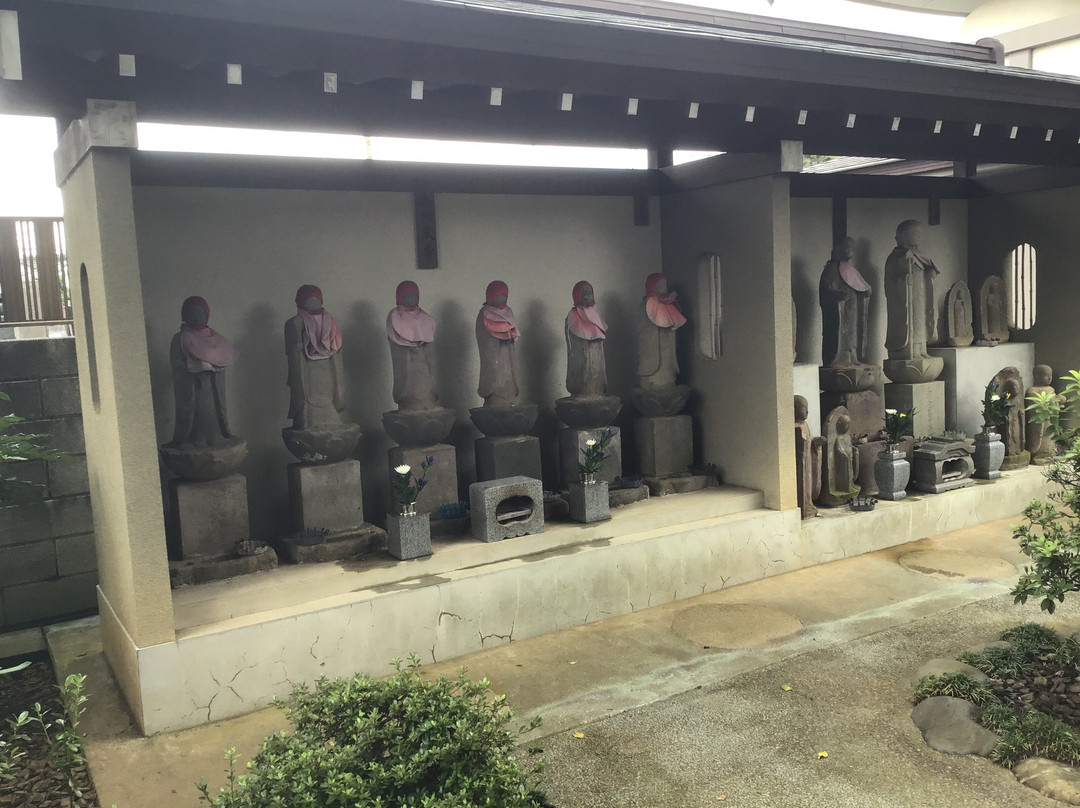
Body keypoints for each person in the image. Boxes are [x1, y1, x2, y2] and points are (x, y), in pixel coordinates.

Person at [168, 295, 235, 447]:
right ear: (185, 315)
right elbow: (175, 364)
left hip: (211, 387)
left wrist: (214, 368)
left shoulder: (216, 339)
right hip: (193, 387)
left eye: (201, 312)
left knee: (212, 412)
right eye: (193, 312)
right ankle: (194, 438)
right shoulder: (180, 338)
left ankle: (214, 435)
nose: (197, 316)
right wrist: (193, 367)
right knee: (196, 413)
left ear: (207, 314)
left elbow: (223, 359)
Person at [285, 284, 346, 429]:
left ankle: (330, 416)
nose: (314, 304)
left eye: (316, 300)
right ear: (300, 301)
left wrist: (335, 352)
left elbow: (336, 347)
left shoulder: (330, 321)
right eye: (309, 300)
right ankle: (307, 417)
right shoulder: (293, 323)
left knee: (328, 393)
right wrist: (298, 344)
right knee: (308, 396)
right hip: (307, 369)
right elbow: (292, 353)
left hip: (327, 369)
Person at [386, 280, 438, 411]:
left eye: (414, 295)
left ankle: (428, 400)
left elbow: (430, 350)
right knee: (409, 377)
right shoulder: (394, 316)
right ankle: (410, 402)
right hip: (406, 361)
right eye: (407, 295)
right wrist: (410, 349)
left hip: (423, 362)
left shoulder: (426, 318)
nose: (411, 298)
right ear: (399, 297)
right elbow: (396, 345)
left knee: (427, 378)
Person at [637, 272, 686, 390]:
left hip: (666, 352)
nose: (664, 288)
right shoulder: (645, 305)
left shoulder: (670, 304)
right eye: (660, 285)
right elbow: (644, 329)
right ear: (652, 286)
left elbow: (674, 324)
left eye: (665, 285)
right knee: (654, 380)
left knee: (668, 377)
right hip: (653, 350)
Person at [476, 280, 519, 407]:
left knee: (508, 374)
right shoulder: (484, 313)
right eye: (498, 295)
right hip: (494, 356)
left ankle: (510, 397)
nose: (502, 298)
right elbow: (483, 340)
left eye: (504, 296)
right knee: (497, 374)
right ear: (490, 296)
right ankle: (495, 398)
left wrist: (510, 338)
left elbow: (513, 333)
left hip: (507, 353)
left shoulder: (509, 313)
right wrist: (495, 340)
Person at [565, 280, 609, 397]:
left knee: (596, 372)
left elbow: (600, 333)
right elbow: (571, 340)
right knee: (584, 372)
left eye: (589, 292)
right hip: (582, 353)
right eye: (584, 292)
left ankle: (598, 391)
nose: (587, 295)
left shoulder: (595, 313)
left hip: (596, 353)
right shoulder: (572, 315)